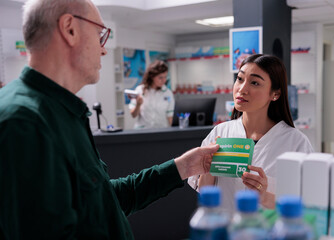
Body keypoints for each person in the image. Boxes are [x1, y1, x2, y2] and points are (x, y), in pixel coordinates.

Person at [0, 0, 220, 239]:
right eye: (100, 35)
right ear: (69, 29)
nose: (104, 49)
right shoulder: (23, 122)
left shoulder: (63, 112)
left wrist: (183, 167)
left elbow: (103, 203)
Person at [188, 54, 313, 210]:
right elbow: (205, 192)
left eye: (254, 82)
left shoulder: (296, 142)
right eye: (240, 79)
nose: (242, 89)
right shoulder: (220, 133)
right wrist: (208, 169)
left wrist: (264, 197)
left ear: (275, 94)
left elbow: (307, 205)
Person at [128, 60, 175, 129]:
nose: (164, 80)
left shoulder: (168, 93)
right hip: (143, 131)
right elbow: (133, 115)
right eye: (160, 77)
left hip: (161, 131)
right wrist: (138, 104)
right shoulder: (140, 90)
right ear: (152, 76)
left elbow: (170, 116)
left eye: (165, 77)